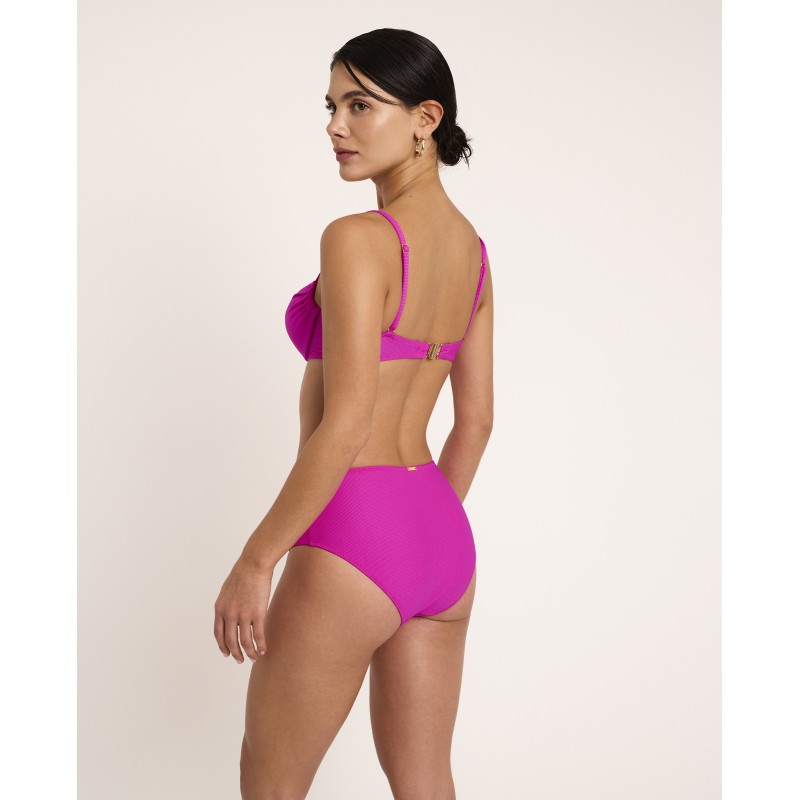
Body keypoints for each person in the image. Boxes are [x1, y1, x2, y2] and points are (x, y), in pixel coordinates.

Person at [213, 27, 494, 800]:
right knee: (425, 781)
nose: (336, 126)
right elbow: (476, 420)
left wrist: (256, 561)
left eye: (361, 105)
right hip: (441, 538)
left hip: (353, 532)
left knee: (270, 782)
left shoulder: (359, 239)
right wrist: (417, 530)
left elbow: (347, 423)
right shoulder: (473, 252)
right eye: (332, 105)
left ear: (426, 118)